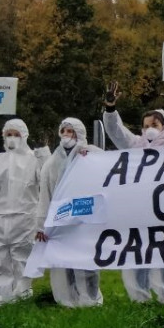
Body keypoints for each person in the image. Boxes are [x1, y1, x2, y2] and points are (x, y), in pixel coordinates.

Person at [102, 81, 164, 304]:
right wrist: (110, 108)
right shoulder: (135, 145)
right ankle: (140, 295)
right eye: (146, 124)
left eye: (155, 124)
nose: (150, 127)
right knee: (140, 250)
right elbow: (115, 131)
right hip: (139, 208)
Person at [36, 118, 103, 308]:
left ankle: (90, 299)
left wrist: (90, 156)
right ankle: (67, 300)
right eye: (63, 131)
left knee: (85, 259)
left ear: (80, 134)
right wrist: (42, 225)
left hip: (85, 219)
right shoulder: (51, 163)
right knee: (63, 261)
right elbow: (45, 195)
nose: (66, 135)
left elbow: (108, 168)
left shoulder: (91, 154)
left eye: (70, 131)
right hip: (60, 220)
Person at [0, 119, 41, 304]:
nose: (12, 138)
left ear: (24, 136)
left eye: (16, 134)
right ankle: (4, 292)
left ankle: (23, 290)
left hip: (25, 215)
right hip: (0, 214)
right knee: (1, 255)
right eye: (9, 134)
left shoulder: (34, 159)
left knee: (21, 254)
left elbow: (45, 181)